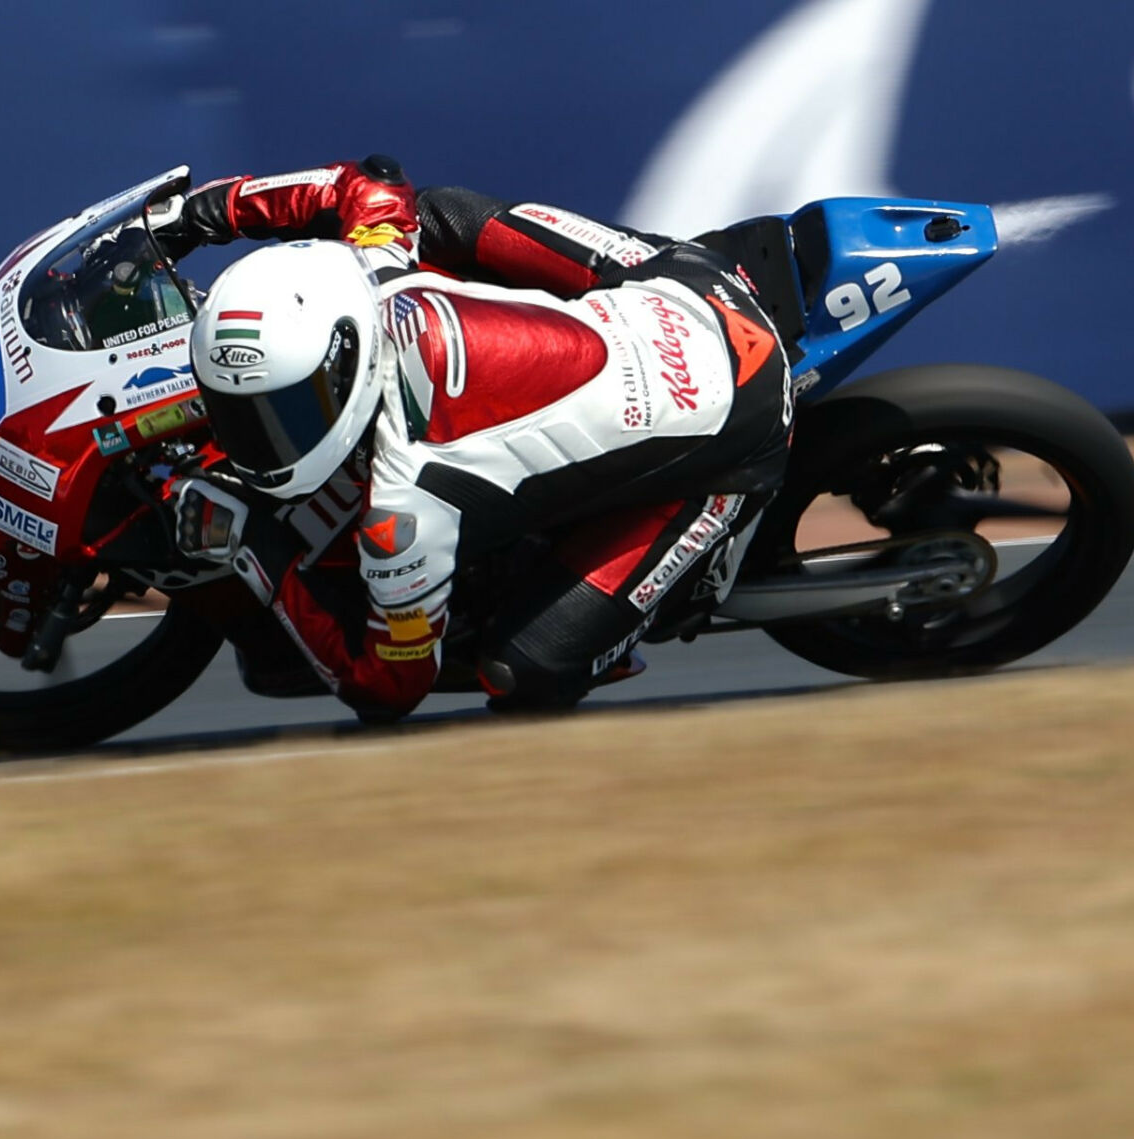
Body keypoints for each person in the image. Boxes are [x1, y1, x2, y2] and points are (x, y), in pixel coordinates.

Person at [152, 155, 792, 721]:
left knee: (525, 673)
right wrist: (201, 215)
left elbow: (387, 690)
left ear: (342, 363)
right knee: (432, 213)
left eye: (284, 410)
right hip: (682, 282)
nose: (260, 437)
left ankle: (689, 567)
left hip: (738, 421)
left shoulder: (407, 506)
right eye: (239, 410)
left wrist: (252, 545)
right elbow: (368, 182)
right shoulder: (377, 267)